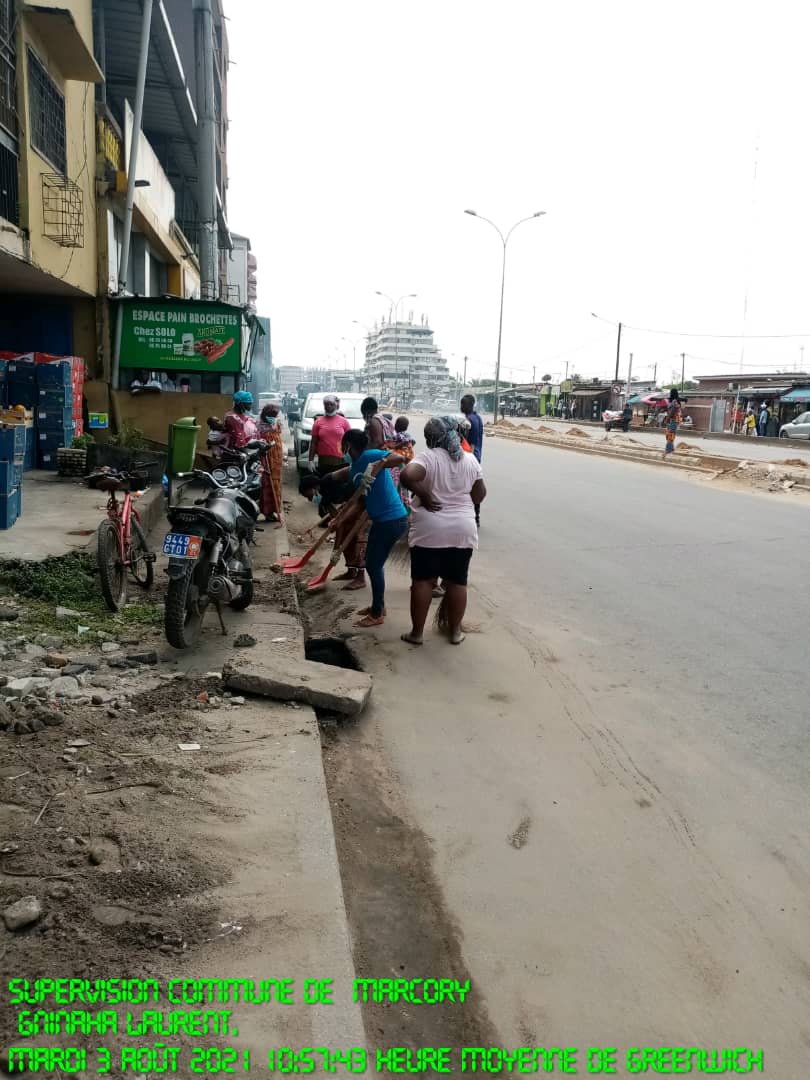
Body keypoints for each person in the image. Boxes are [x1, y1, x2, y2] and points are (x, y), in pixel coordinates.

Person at [400, 417, 486, 646]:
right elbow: (479, 495)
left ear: (430, 438)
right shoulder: (470, 460)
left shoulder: (428, 457)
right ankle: (455, 632)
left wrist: (426, 495)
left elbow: (407, 476)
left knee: (423, 582)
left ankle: (417, 633)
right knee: (457, 582)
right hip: (462, 529)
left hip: (430, 529)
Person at [332, 429, 408, 627]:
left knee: (373, 565)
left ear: (348, 445)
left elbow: (399, 457)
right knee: (374, 564)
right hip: (380, 520)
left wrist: (380, 463)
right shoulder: (356, 468)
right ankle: (378, 606)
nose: (342, 449)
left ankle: (377, 614)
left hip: (392, 519)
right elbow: (360, 503)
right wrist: (340, 520)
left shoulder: (370, 456)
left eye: (343, 445)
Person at [309, 394, 351, 475]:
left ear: (336, 406)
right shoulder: (318, 422)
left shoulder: (344, 422)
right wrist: (311, 460)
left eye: (331, 404)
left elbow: (350, 441)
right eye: (326, 404)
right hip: (323, 461)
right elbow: (313, 443)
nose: (329, 406)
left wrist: (351, 459)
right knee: (324, 484)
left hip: (340, 461)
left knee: (337, 485)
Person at [257, 402, 284, 524]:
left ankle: (274, 511)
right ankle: (267, 512)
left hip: (276, 458)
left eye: (275, 414)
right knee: (267, 484)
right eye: (272, 414)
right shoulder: (258, 425)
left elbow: (279, 434)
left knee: (276, 484)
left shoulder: (276, 423)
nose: (274, 416)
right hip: (266, 458)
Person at [460, 394, 483, 463]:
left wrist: (470, 460)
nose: (461, 407)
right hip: (476, 455)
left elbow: (473, 442)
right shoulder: (477, 417)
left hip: (471, 456)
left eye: (463, 404)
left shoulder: (469, 420)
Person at [664, 389, 682, 455]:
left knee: (670, 435)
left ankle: (668, 450)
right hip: (675, 420)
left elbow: (672, 411)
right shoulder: (677, 401)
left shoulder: (674, 401)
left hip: (673, 420)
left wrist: (667, 419)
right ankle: (671, 450)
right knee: (670, 435)